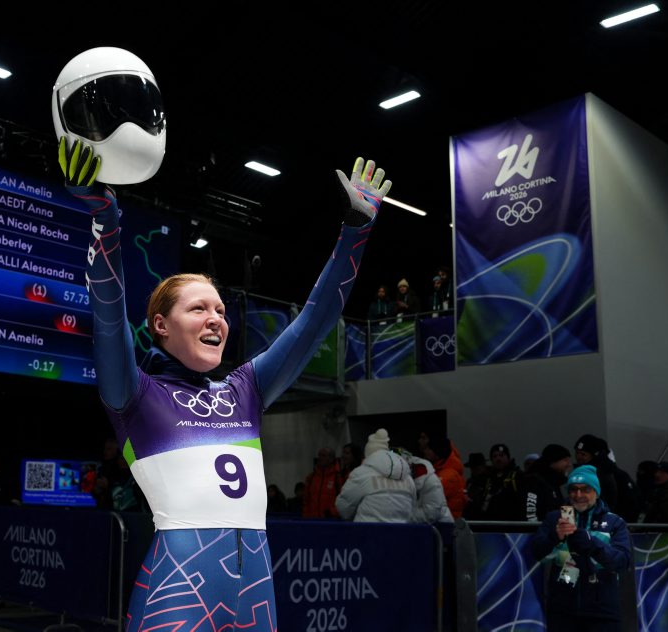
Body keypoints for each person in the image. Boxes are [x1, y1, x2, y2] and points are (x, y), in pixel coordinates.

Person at [60, 78, 392, 629]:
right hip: (178, 588)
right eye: (199, 309)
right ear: (161, 326)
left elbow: (314, 321)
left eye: (220, 309)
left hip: (257, 591)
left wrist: (354, 232)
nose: (217, 318)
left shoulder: (245, 390)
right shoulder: (134, 395)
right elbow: (108, 313)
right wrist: (106, 220)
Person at [532, 465, 632, 631]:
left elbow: (622, 562)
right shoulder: (554, 518)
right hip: (562, 611)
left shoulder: (614, 522)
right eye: (573, 489)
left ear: (596, 492)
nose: (578, 495)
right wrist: (555, 538)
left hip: (603, 611)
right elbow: (537, 553)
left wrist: (592, 544)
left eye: (586, 489)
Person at [336, 429, 415, 523]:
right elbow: (413, 508)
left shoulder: (361, 473)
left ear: (368, 452)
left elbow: (343, 507)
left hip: (368, 530)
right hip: (402, 531)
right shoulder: (407, 477)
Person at [519, 443, 572, 522]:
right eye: (565, 460)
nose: (569, 464)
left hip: (555, 529)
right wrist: (539, 529)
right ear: (553, 461)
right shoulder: (533, 482)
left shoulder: (554, 483)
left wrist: (569, 524)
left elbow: (561, 508)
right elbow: (530, 514)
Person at [303, 446, 343, 519]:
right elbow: (306, 500)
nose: (320, 458)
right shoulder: (311, 477)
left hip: (331, 521)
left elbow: (344, 500)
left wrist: (333, 512)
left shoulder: (338, 477)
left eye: (323, 455)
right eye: (319, 455)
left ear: (331, 459)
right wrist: (306, 516)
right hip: (312, 520)